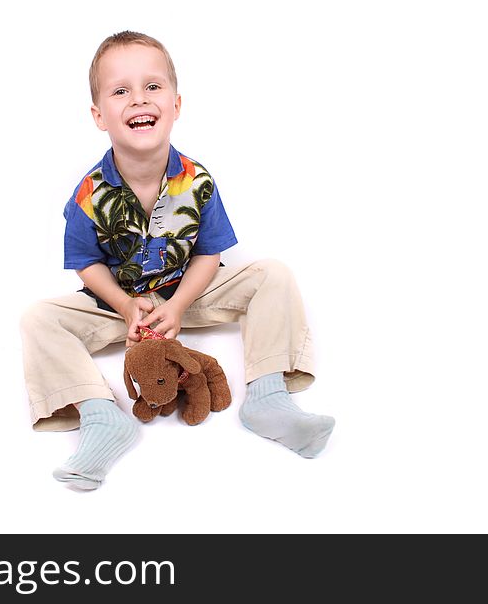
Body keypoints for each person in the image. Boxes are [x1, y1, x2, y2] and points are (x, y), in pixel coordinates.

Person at [20, 30, 335, 490]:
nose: (137, 100)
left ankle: (267, 396)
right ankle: (101, 417)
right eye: (120, 91)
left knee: (273, 274)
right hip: (122, 305)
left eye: (152, 87)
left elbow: (209, 253)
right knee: (37, 319)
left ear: (176, 104)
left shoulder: (197, 181)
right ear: (99, 115)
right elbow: (87, 263)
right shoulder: (89, 195)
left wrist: (182, 304)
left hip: (187, 290)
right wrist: (126, 305)